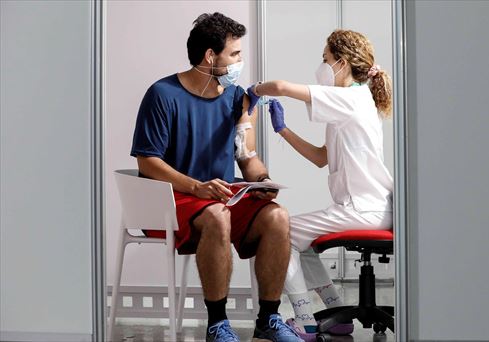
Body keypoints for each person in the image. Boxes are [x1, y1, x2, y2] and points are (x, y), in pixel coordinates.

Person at [130, 12, 303, 342]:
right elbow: (147, 161)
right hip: (173, 199)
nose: (240, 61)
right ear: (211, 56)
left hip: (220, 196)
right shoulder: (162, 95)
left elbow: (246, 156)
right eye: (235, 54)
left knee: (277, 217)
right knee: (217, 215)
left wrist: (263, 180)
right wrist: (196, 186)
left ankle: (268, 318)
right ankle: (217, 324)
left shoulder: (238, 98)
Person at [247, 29, 394, 341]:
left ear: (340, 63)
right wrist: (282, 130)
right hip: (369, 207)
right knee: (304, 242)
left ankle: (306, 320)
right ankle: (335, 314)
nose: (321, 65)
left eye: (325, 59)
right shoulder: (353, 103)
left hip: (362, 209)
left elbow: (282, 87)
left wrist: (253, 92)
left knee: (280, 235)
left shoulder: (350, 97)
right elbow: (320, 158)